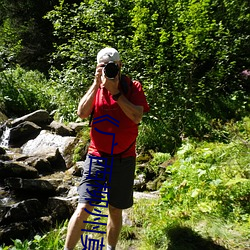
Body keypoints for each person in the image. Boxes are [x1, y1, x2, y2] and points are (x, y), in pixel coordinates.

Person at [64, 47, 150, 250]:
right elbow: (82, 113)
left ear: (120, 66)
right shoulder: (96, 88)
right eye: (103, 66)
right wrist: (96, 84)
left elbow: (137, 116)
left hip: (124, 157)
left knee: (115, 209)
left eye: (112, 66)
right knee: (85, 206)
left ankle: (110, 248)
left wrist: (116, 93)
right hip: (97, 156)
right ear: (97, 67)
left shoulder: (132, 87)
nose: (108, 70)